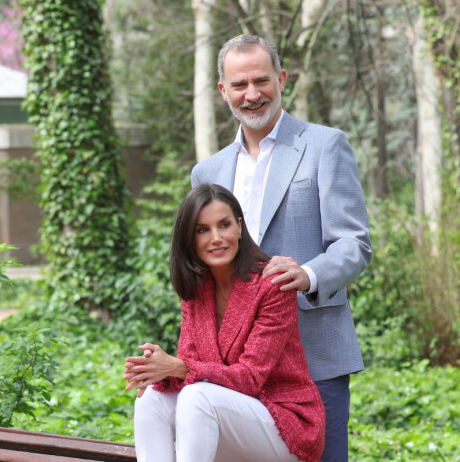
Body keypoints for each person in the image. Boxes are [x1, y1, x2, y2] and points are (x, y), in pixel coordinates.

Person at [191, 34, 372, 462]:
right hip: (234, 361)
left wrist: (309, 274)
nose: (251, 95)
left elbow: (354, 242)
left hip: (313, 350)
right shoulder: (208, 171)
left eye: (261, 80)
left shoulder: (325, 145)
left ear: (282, 79)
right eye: (239, 85)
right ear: (223, 91)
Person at [124, 183, 325, 462]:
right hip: (224, 415)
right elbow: (192, 366)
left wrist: (177, 367)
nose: (216, 237)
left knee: (196, 397)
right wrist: (158, 371)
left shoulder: (271, 284)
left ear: (239, 227)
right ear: (189, 238)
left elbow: (251, 378)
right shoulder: (196, 288)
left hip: (283, 421)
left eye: (224, 225)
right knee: (150, 400)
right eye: (203, 230)